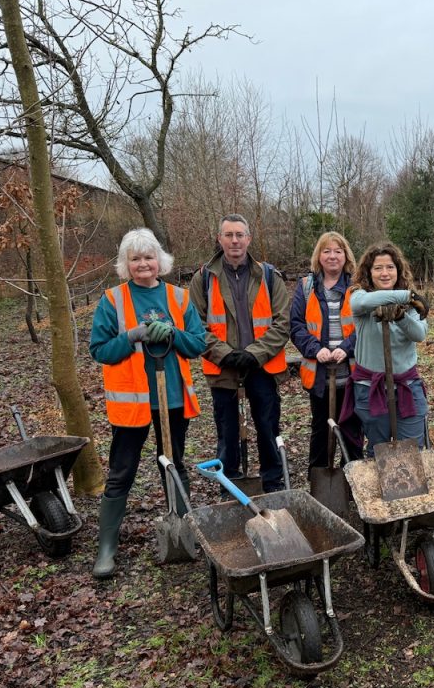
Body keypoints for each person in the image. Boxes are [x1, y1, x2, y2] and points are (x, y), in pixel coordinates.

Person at [89, 228, 206, 580]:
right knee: (121, 471)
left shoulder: (179, 298)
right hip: (132, 403)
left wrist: (173, 333)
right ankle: (106, 547)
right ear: (126, 264)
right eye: (136, 258)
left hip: (170, 398)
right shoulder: (113, 300)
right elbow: (99, 350)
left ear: (160, 261)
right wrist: (131, 336)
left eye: (149, 256)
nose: (144, 264)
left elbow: (197, 344)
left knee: (173, 464)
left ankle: (186, 533)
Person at [189, 214, 291, 493]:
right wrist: (225, 354)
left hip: (263, 367)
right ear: (219, 239)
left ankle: (273, 484)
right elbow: (194, 325)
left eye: (239, 235)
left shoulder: (269, 275)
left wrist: (255, 354)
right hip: (223, 370)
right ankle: (230, 486)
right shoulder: (203, 278)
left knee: (268, 428)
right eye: (228, 235)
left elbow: (283, 322)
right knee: (227, 432)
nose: (234, 240)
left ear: (249, 238)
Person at [289, 231, 363, 473]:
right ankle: (319, 480)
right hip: (320, 373)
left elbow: (364, 325)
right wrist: (316, 349)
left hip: (351, 373)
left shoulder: (357, 287)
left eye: (338, 251)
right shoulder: (306, 287)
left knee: (351, 428)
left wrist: (346, 347)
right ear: (319, 256)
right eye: (327, 251)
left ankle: (352, 480)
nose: (333, 256)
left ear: (346, 256)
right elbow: (297, 325)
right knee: (321, 428)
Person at [345, 242, 429, 454]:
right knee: (379, 454)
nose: (384, 273)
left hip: (407, 387)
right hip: (370, 390)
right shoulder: (360, 296)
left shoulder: (412, 306)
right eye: (378, 268)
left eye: (390, 267)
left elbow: (419, 334)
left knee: (412, 452)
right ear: (369, 272)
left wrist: (400, 316)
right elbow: (359, 305)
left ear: (398, 270)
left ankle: (412, 487)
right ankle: (381, 488)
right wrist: (406, 296)